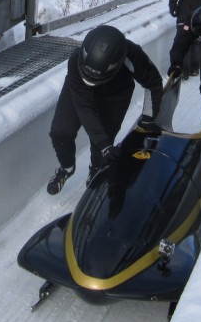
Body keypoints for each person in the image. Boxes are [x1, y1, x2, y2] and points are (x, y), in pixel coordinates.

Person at [46, 25, 164, 195]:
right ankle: (67, 167)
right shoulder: (75, 60)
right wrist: (105, 145)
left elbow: (153, 83)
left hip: (116, 95)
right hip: (79, 90)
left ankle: (96, 167)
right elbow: (84, 108)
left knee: (104, 141)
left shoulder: (132, 55)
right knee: (60, 131)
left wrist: (148, 116)